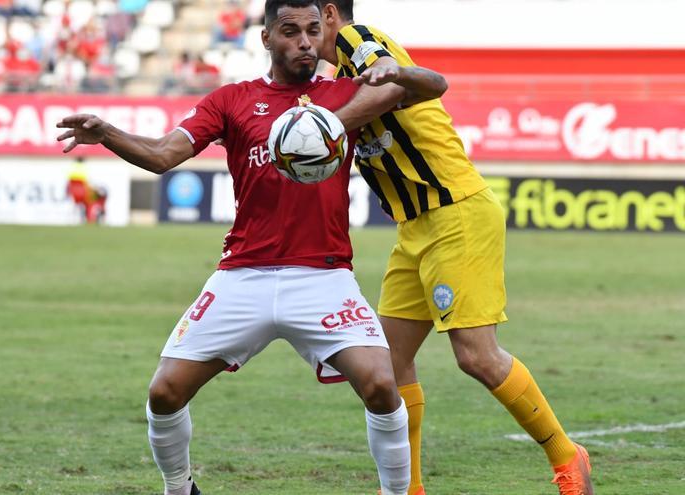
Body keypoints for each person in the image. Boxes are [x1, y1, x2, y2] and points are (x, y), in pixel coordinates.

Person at [57, 1, 415, 493]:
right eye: (290, 31)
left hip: (324, 275)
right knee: (164, 392)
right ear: (266, 38)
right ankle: (179, 489)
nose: (305, 42)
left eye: (313, 30)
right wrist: (108, 134)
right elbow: (164, 155)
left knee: (380, 385)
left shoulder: (342, 94)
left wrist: (387, 74)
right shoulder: (232, 100)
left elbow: (414, 86)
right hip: (242, 275)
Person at [314, 1, 595, 494]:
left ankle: (567, 458)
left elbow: (396, 82)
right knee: (389, 364)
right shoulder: (333, 76)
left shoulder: (355, 39)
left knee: (477, 357)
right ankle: (412, 488)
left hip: (455, 211)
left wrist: (331, 122)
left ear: (331, 15)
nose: (302, 40)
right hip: (414, 227)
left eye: (309, 27)